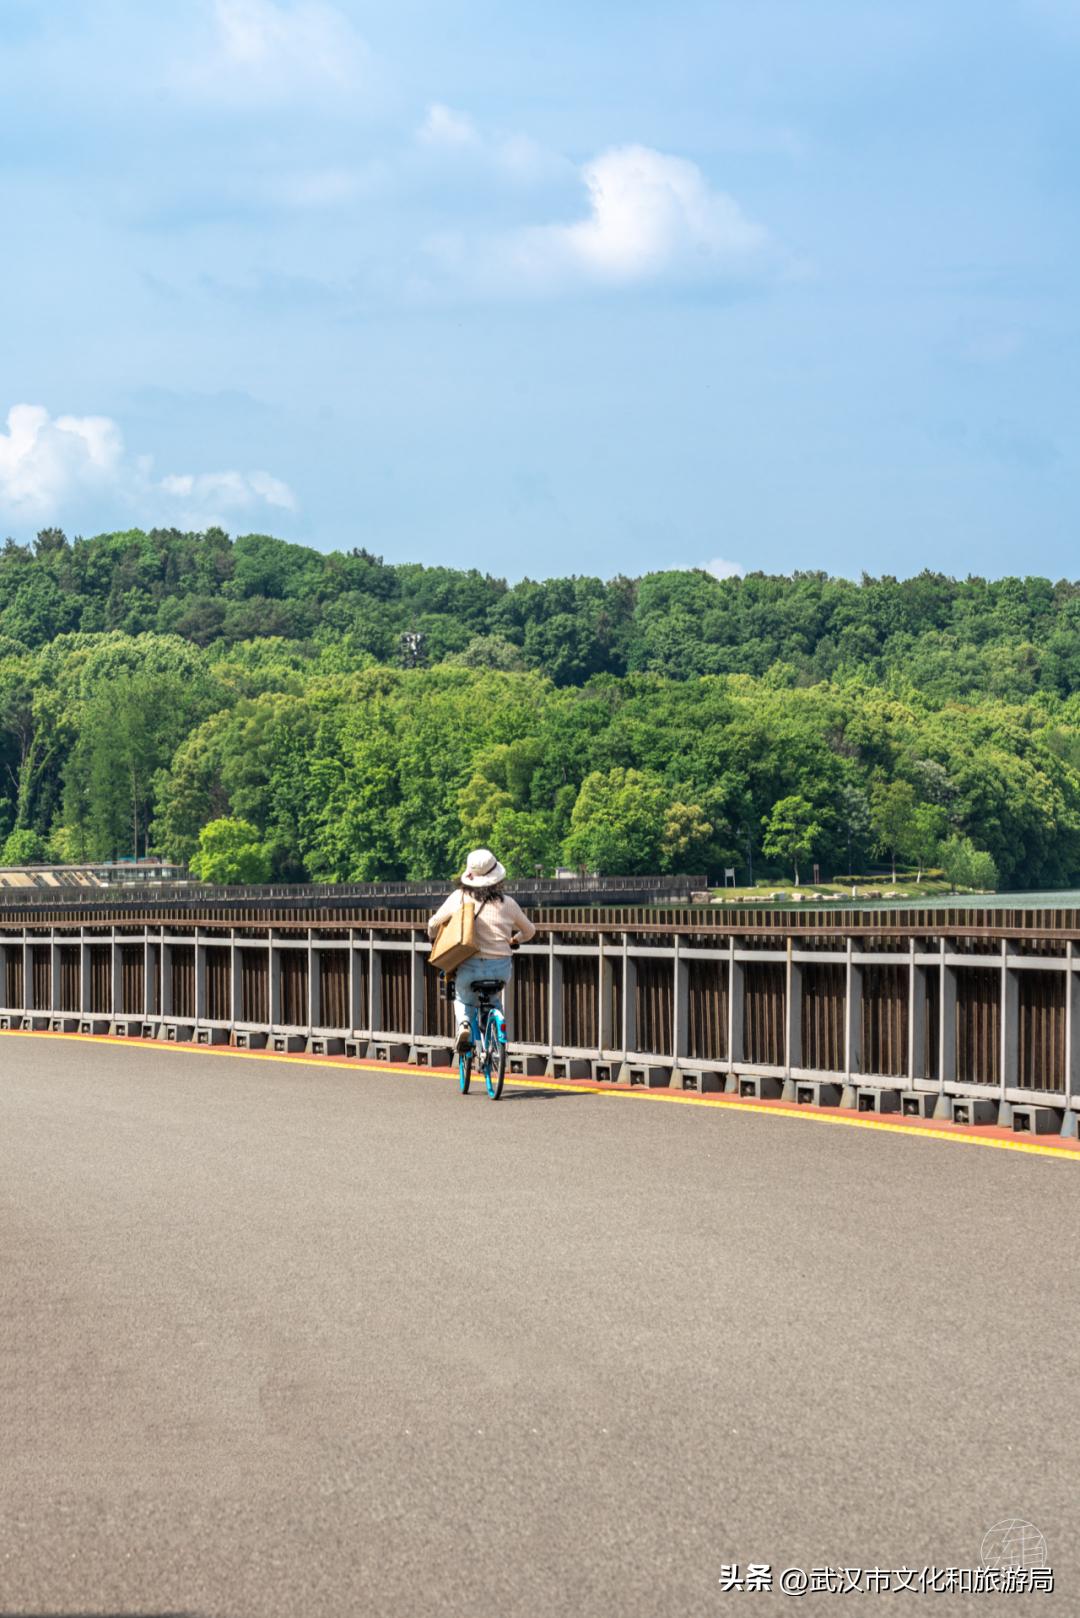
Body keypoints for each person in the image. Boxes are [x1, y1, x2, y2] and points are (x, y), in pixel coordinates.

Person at [427, 848, 537, 1052]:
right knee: (493, 999)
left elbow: (433, 924)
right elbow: (530, 931)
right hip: (501, 969)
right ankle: (496, 1038)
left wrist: (436, 941)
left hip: (469, 967)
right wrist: (514, 939)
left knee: (462, 998)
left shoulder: (459, 897)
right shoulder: (508, 903)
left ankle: (465, 1025)